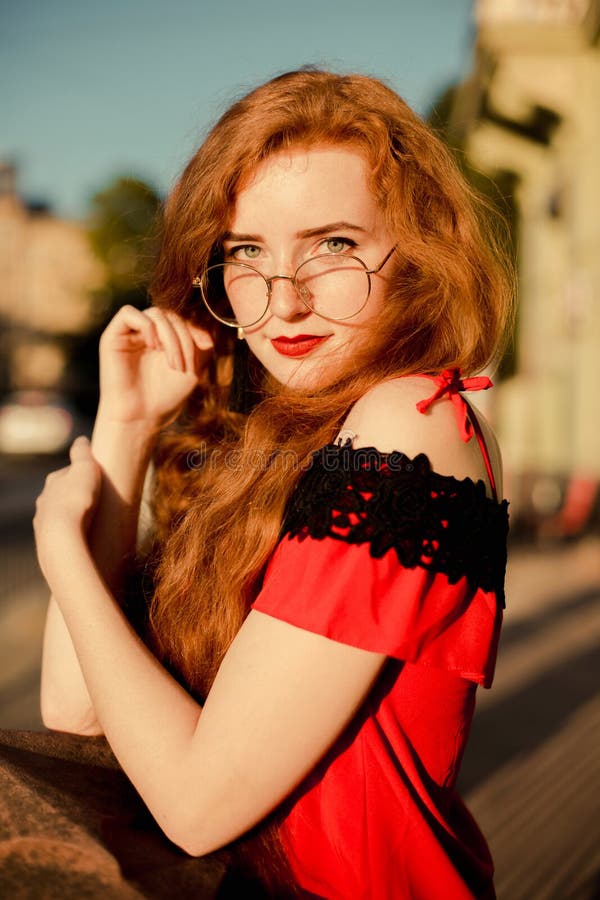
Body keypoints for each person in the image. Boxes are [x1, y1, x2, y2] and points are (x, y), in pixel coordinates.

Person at [34, 68, 513, 899]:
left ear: (419, 255)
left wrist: (62, 554)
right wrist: (127, 429)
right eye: (246, 253)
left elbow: (194, 805)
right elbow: (75, 711)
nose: (283, 300)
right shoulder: (271, 446)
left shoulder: (412, 421)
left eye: (334, 245)